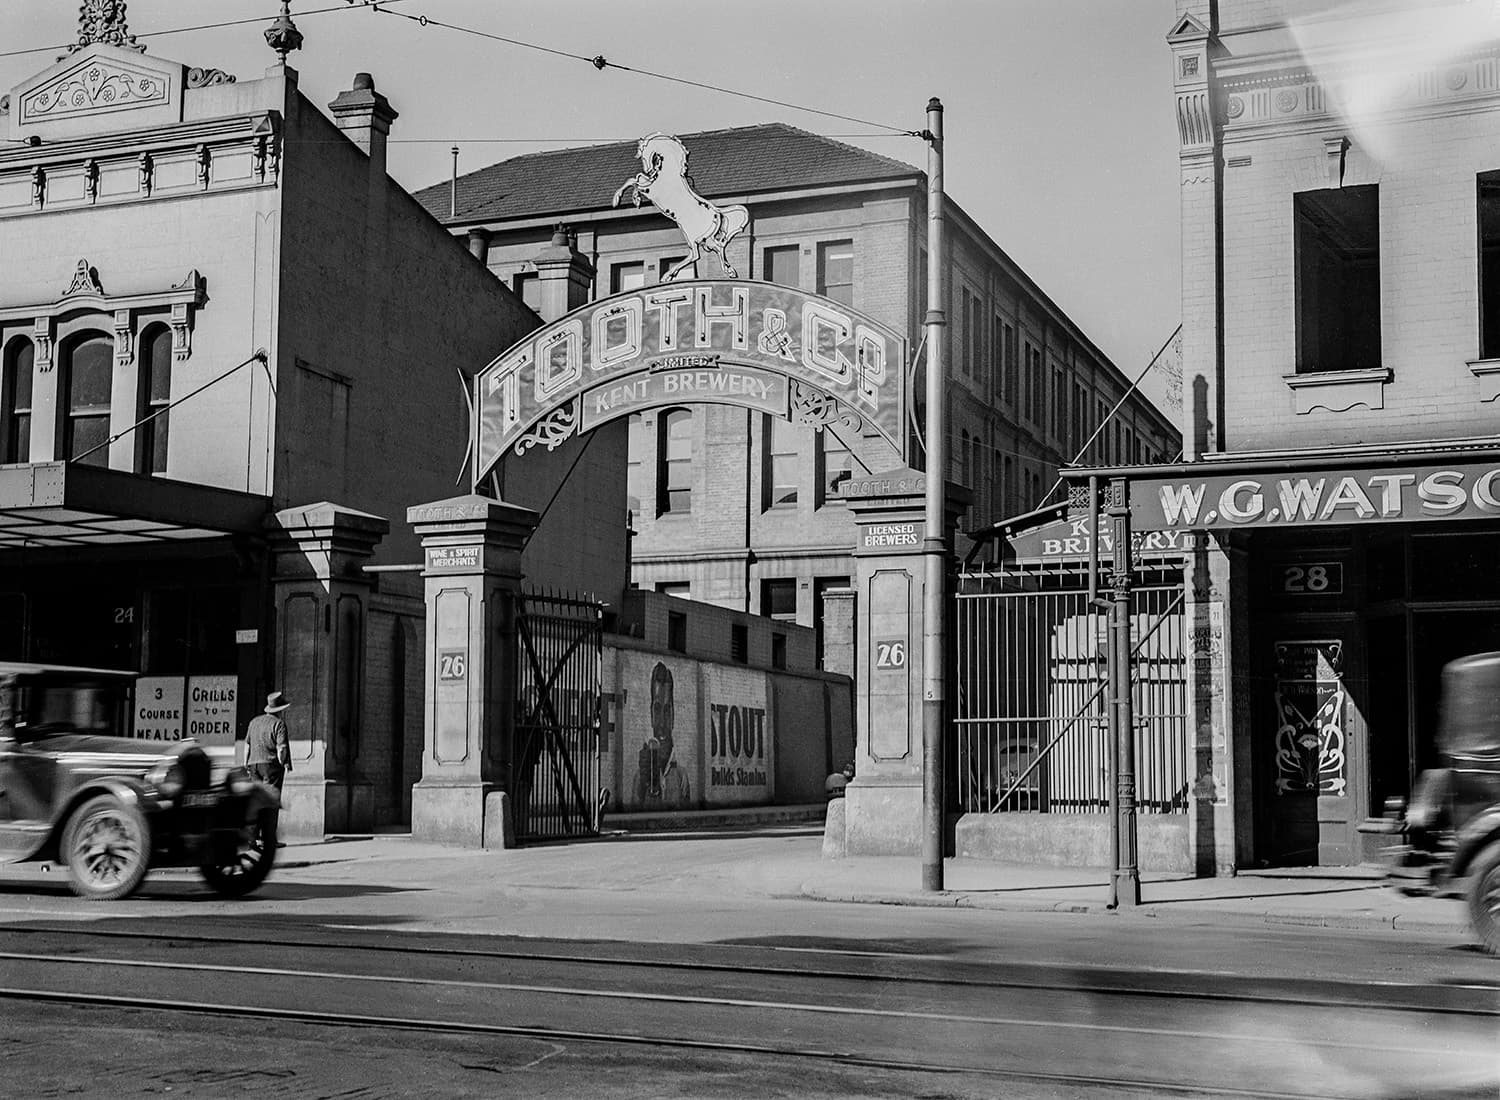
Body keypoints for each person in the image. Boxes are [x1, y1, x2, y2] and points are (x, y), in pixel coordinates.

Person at [635, 661, 689, 809]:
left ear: (673, 716)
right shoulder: (640, 775)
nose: (662, 723)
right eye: (657, 710)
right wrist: (644, 784)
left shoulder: (681, 775)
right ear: (651, 715)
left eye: (667, 710)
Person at [244, 690, 293, 847]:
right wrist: (284, 762)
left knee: (256, 801)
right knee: (271, 801)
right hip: (271, 766)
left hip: (253, 764)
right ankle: (269, 839)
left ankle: (251, 837)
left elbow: (247, 745)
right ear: (280, 710)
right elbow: (281, 749)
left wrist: (247, 764)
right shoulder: (279, 724)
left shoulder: (254, 722)